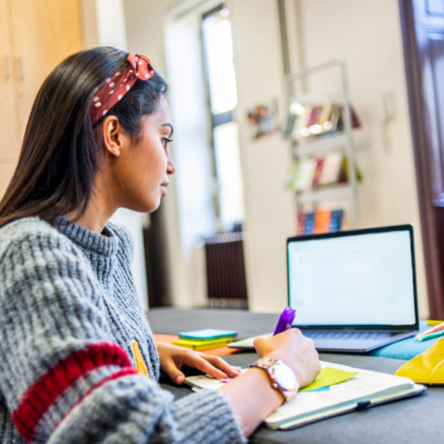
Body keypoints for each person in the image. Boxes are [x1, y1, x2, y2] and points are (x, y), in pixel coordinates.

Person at [0, 47, 321, 444]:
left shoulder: (111, 247)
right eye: (164, 139)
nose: (171, 164)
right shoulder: (29, 251)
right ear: (114, 135)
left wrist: (138, 351)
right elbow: (136, 437)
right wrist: (279, 371)